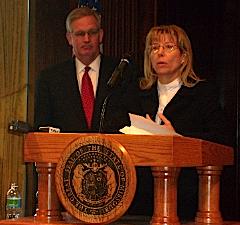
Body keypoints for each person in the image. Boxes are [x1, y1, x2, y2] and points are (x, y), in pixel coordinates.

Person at [136, 24, 228, 221]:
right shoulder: (137, 95)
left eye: (168, 47)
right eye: (154, 47)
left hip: (187, 195)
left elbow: (222, 140)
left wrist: (178, 138)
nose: (160, 52)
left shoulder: (202, 94)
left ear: (184, 57)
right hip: (142, 197)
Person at [34, 6, 140, 133]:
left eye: (92, 32)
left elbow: (135, 123)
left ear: (100, 35)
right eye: (80, 34)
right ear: (69, 38)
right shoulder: (50, 78)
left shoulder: (123, 71)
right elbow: (42, 130)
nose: (86, 39)